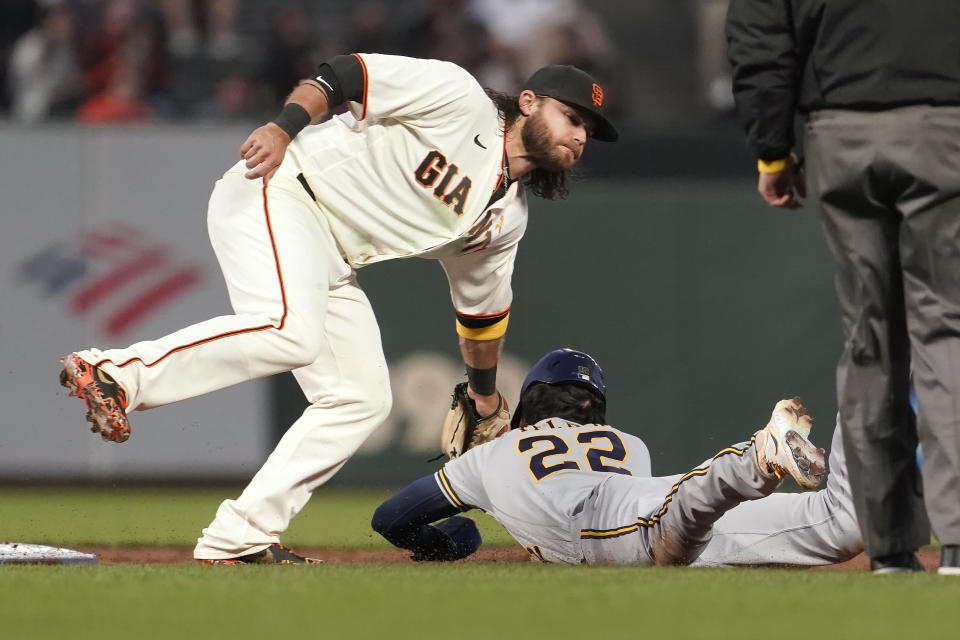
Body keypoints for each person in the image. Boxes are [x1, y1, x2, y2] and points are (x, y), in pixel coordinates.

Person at [58, 53, 618, 564]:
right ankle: (116, 373)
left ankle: (240, 538)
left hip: (332, 256)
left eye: (588, 129)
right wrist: (284, 126)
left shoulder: (505, 218)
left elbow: (481, 314)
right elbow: (347, 74)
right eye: (572, 117)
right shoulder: (459, 98)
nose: (580, 135)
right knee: (291, 333)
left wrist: (484, 393)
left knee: (361, 398)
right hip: (281, 189)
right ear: (528, 102)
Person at [726, 0, 960, 575]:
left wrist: (771, 148)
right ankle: (956, 544)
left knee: (870, 340)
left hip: (841, 129)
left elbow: (760, 36)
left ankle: (889, 550)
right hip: (942, 121)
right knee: (945, 329)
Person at [372, 349, 828, 566]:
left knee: (670, 524)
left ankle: (759, 453)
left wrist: (457, 539)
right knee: (817, 526)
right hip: (637, 507)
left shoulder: (490, 455)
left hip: (604, 528)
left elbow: (390, 519)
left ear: (531, 401)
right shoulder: (630, 444)